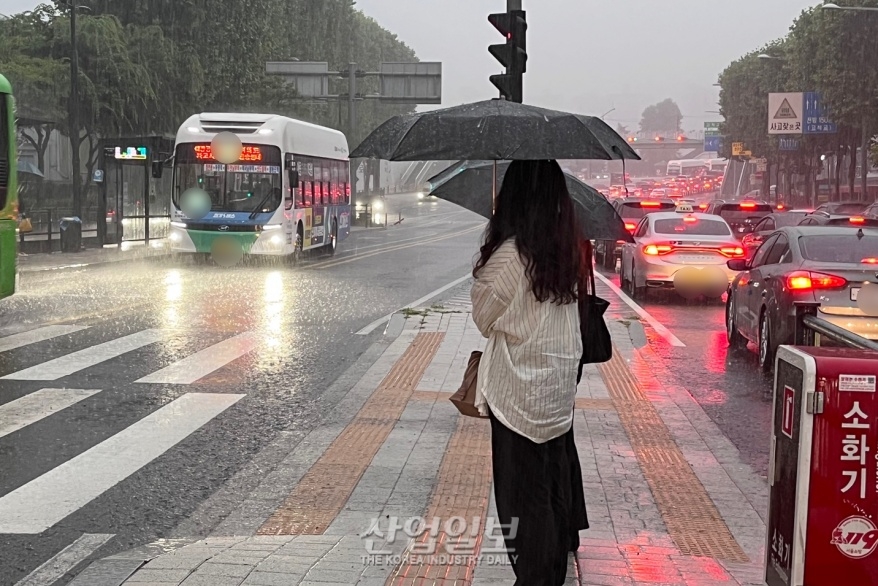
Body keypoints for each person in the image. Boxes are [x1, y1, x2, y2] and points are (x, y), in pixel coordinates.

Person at [471, 159, 589, 585]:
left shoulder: (509, 257)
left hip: (517, 397)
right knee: (551, 495)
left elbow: (484, 319)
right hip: (557, 396)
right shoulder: (566, 251)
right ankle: (550, 573)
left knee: (521, 504)